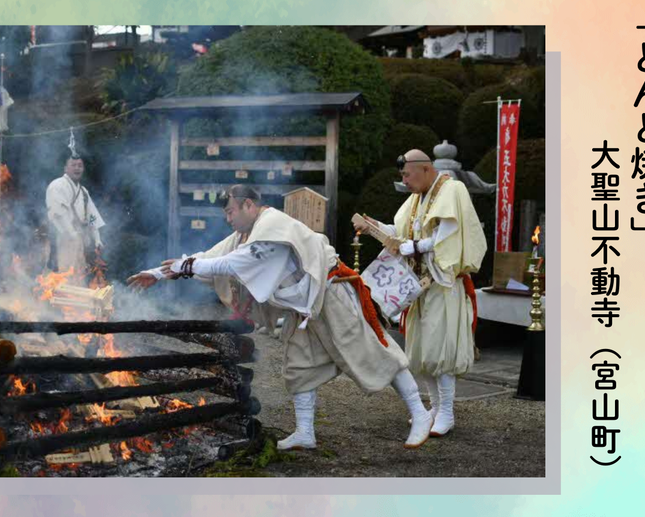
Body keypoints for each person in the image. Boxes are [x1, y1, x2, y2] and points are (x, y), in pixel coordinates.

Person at [127, 185, 433, 451]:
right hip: (301, 308)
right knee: (299, 364)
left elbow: (231, 265)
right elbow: (209, 257)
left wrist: (187, 267)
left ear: (249, 205)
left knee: (374, 352)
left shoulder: (273, 227)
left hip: (329, 295)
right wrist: (157, 273)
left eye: (231, 211)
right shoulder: (244, 233)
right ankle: (305, 432)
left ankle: (420, 413)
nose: (228, 218)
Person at [352, 149, 487, 437]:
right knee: (423, 349)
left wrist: (414, 247)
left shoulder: (453, 188)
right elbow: (400, 232)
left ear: (424, 169)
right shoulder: (415, 199)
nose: (404, 180)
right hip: (417, 283)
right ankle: (434, 407)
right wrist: (375, 226)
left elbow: (449, 230)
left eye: (406, 174)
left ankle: (447, 412)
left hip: (443, 280)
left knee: (441, 347)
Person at [45, 153, 105, 278]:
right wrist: (71, 233)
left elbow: (92, 216)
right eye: (73, 165)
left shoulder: (83, 192)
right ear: (65, 168)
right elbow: (58, 213)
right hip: (61, 237)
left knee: (77, 275)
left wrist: (97, 238)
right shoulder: (57, 185)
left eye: (80, 166)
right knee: (60, 275)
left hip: (78, 239)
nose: (77, 168)